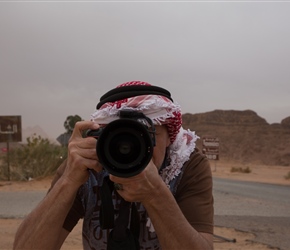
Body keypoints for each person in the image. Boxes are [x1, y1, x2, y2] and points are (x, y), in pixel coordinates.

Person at [13, 81, 214, 250]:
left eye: (147, 136)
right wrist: (68, 181)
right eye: (118, 138)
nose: (131, 148)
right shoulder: (84, 164)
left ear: (170, 138)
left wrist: (156, 195)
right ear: (101, 137)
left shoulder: (186, 165)